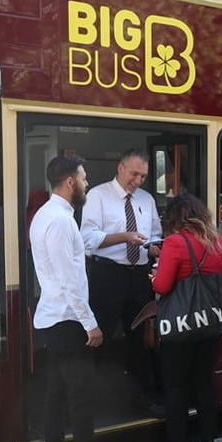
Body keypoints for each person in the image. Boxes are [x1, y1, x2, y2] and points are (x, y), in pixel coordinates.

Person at [30, 155, 134, 442]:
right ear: (71, 181)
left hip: (55, 317)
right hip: (68, 319)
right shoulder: (60, 221)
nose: (87, 183)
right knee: (81, 395)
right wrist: (90, 324)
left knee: (57, 393)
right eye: (85, 178)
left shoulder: (47, 215)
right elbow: (68, 280)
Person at [80, 148, 164, 415]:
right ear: (120, 168)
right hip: (108, 274)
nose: (138, 181)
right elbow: (88, 239)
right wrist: (124, 237)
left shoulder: (147, 199)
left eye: (143, 176)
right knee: (99, 336)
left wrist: (156, 249)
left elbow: (153, 236)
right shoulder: (98, 195)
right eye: (134, 174)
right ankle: (91, 399)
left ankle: (141, 396)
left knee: (140, 338)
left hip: (139, 275)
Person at [149, 193, 222, 442]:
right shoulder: (220, 242)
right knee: (204, 382)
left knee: (176, 387)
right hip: (210, 323)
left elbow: (162, 286)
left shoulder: (174, 243)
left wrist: (154, 276)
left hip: (180, 326)